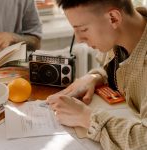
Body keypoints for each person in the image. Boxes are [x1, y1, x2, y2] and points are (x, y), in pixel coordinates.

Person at [47, 0, 147, 149]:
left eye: (83, 30)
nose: (79, 39)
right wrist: (96, 77)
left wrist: (87, 118)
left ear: (113, 18)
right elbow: (120, 71)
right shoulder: (118, 37)